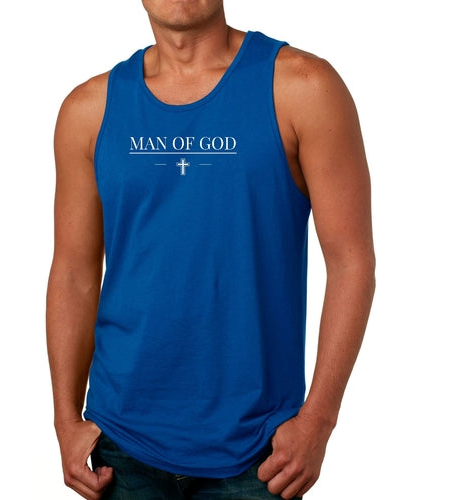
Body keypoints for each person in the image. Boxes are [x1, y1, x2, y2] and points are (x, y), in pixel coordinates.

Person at [46, 1, 375, 499]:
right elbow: (74, 272)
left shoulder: (302, 87)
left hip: (259, 448)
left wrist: (319, 420)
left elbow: (352, 262)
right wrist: (65, 420)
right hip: (121, 443)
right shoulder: (88, 110)